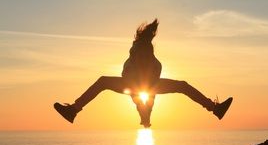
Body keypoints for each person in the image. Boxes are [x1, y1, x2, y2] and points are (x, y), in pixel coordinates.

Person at [54, 19, 233, 127]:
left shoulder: (141, 47)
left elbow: (144, 87)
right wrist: (145, 111)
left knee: (105, 83)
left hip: (140, 83)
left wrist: (145, 112)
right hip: (139, 83)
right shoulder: (141, 48)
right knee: (180, 87)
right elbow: (143, 87)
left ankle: (73, 110)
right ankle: (214, 109)